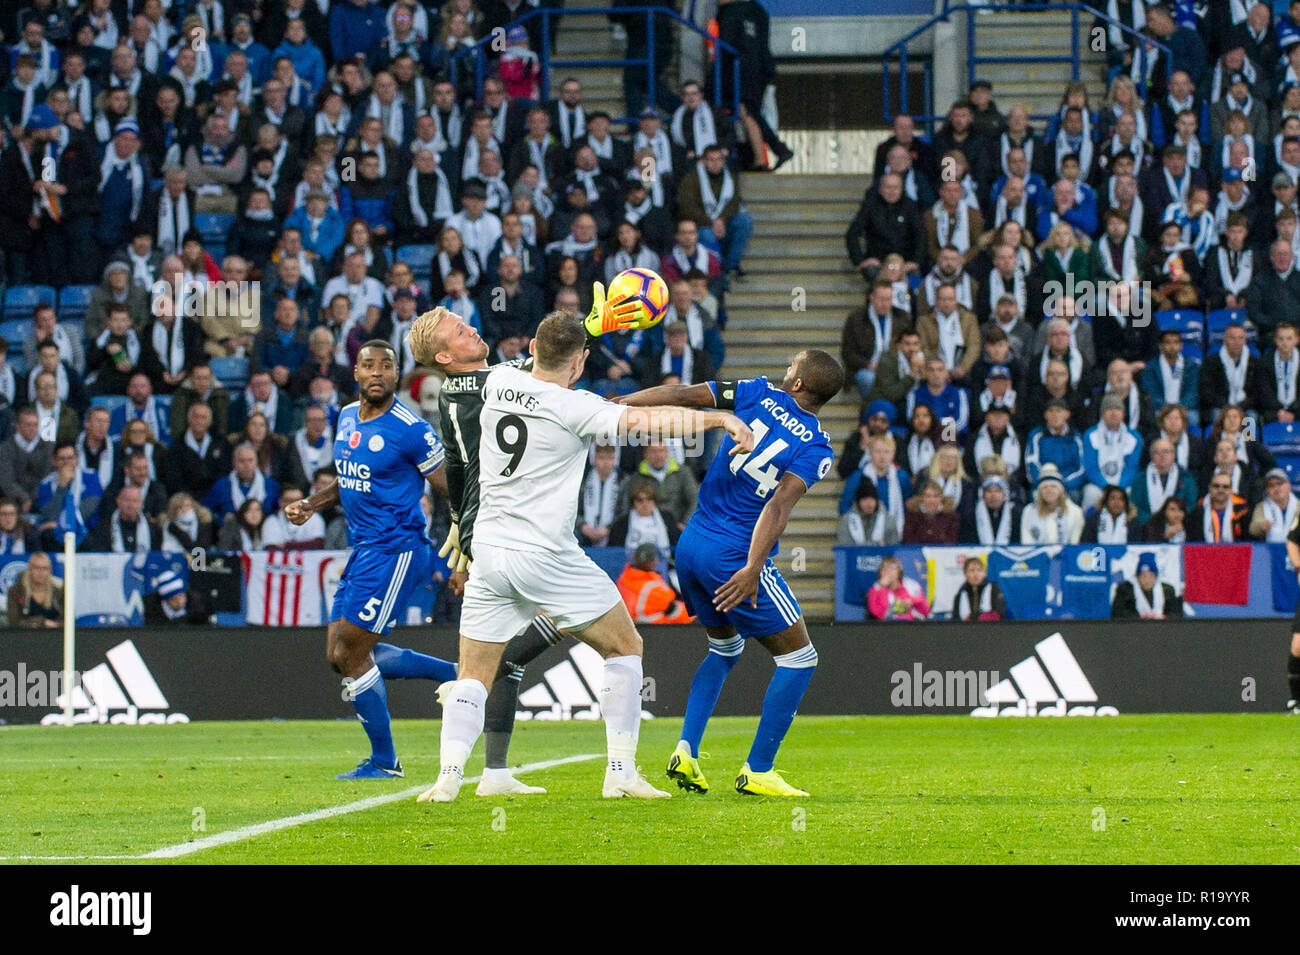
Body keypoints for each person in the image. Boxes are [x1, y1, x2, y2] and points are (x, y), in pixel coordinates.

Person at [411, 310, 753, 803]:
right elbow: (646, 420)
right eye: (458, 331)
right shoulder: (573, 405)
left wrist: (586, 326)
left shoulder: (494, 385)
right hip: (545, 552)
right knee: (625, 646)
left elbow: (524, 364)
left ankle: (446, 780)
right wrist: (718, 416)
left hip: (489, 549)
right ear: (581, 363)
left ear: (531, 348)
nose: (471, 331)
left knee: (473, 673)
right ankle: (620, 772)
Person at [618, 347, 840, 797]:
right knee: (800, 658)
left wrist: (618, 404)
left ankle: (686, 748)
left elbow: (681, 395)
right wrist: (753, 567)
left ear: (798, 384)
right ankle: (758, 769)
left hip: (692, 545)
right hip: (733, 555)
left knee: (724, 648)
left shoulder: (756, 392)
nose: (785, 368)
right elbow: (779, 505)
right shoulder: (816, 447)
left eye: (791, 366)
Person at [285, 340, 459, 780]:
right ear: (357, 374)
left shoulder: (411, 429)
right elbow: (348, 479)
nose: (378, 372)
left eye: (387, 366)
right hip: (363, 551)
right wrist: (312, 503)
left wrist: (465, 547)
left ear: (397, 376)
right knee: (337, 655)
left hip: (398, 551)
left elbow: (451, 489)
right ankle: (454, 674)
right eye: (369, 366)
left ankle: (385, 761)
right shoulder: (344, 417)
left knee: (352, 652)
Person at [616, 542, 693, 625]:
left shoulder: (623, 579)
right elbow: (676, 611)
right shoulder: (653, 588)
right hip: (655, 630)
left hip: (630, 627)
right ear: (653, 562)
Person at [1022, 463, 1085, 544]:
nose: (1049, 490)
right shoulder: (1028, 511)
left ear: (1061, 491)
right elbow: (1026, 543)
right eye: (1045, 487)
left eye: (1053, 486)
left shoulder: (1076, 512)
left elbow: (1075, 544)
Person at [1112, 552, 1183, 619]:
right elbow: (1118, 613)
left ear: (1156, 577)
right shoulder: (1125, 590)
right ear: (1137, 577)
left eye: (1151, 576)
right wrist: (1141, 619)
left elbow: (1176, 614)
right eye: (1143, 576)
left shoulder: (1168, 590)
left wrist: (1163, 618)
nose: (1147, 580)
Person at [6, 551, 62, 628]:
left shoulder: (58, 592)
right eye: (37, 568)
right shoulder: (16, 591)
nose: (41, 572)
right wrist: (42, 622)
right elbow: (14, 621)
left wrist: (56, 625)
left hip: (54, 636)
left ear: (50, 571)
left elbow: (68, 621)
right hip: (23, 636)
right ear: (30, 569)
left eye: (45, 568)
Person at [867, 555, 931, 621]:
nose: (889, 572)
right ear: (880, 573)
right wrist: (882, 588)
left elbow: (926, 611)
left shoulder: (911, 585)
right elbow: (879, 615)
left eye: (892, 568)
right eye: (885, 569)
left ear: (899, 571)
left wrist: (912, 601)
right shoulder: (875, 589)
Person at [837, 480, 899, 546]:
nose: (869, 504)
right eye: (865, 500)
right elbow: (844, 547)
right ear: (858, 502)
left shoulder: (888, 520)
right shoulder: (847, 521)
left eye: (872, 499)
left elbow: (893, 547)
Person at [1249, 468, 1299, 542]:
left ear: (1289, 485)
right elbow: (1253, 528)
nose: (1276, 488)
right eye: (1271, 485)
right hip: (1270, 551)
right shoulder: (1261, 507)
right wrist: (1261, 525)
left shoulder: (1298, 505)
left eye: (1279, 483)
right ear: (1267, 490)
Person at [953, 556, 1006, 621]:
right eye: (972, 570)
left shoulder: (993, 588)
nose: (976, 574)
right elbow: (955, 619)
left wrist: (976, 618)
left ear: (984, 573)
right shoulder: (960, 594)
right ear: (965, 574)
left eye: (979, 570)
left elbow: (999, 614)